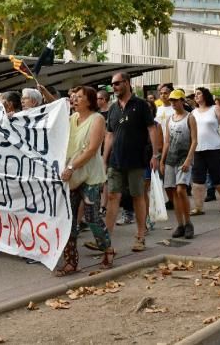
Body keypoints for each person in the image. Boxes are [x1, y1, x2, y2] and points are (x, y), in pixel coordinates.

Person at [55, 86, 113, 275]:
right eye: (74, 97)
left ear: (89, 100)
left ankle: (107, 249)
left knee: (92, 218)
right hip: (70, 177)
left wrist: (72, 167)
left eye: (80, 97)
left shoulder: (98, 119)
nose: (75, 99)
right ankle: (71, 261)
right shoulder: (71, 118)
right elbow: (53, 110)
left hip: (90, 176)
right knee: (69, 220)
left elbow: (91, 149)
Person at [103, 72, 161, 253]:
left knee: (138, 197)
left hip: (137, 160)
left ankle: (140, 236)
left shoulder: (141, 105)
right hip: (116, 161)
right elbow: (110, 135)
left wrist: (155, 155)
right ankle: (105, 239)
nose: (114, 87)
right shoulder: (113, 108)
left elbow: (152, 129)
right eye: (112, 84)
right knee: (113, 196)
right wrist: (104, 159)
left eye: (117, 83)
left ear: (127, 83)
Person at [189, 87, 220, 216]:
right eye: (195, 94)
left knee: (218, 177)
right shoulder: (193, 112)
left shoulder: (215, 109)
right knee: (197, 179)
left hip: (215, 148)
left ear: (205, 95)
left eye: (199, 94)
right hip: (198, 149)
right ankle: (198, 206)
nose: (196, 96)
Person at [161, 89, 197, 240]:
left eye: (176, 100)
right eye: (172, 101)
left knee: (181, 189)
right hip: (171, 158)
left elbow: (194, 140)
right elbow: (167, 142)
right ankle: (180, 224)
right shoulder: (170, 119)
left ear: (182, 101)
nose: (173, 103)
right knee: (173, 191)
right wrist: (162, 160)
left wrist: (189, 159)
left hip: (184, 158)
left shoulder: (190, 117)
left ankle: (188, 223)